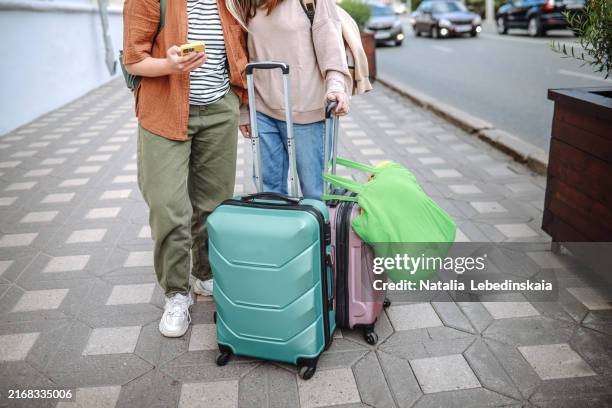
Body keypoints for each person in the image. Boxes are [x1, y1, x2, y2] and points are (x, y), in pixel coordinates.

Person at [122, 0, 248, 337]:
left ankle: (204, 275)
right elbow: (133, 59)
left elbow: (241, 47)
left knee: (214, 205)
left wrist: (241, 103)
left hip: (220, 110)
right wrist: (169, 64)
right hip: (164, 110)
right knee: (168, 207)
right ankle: (176, 293)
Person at [228, 0, 351, 198]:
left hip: (306, 110)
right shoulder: (246, 3)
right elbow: (241, 56)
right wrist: (244, 110)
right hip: (262, 109)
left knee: (315, 191)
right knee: (268, 191)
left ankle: (318, 229)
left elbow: (331, 45)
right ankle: (276, 230)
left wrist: (336, 86)